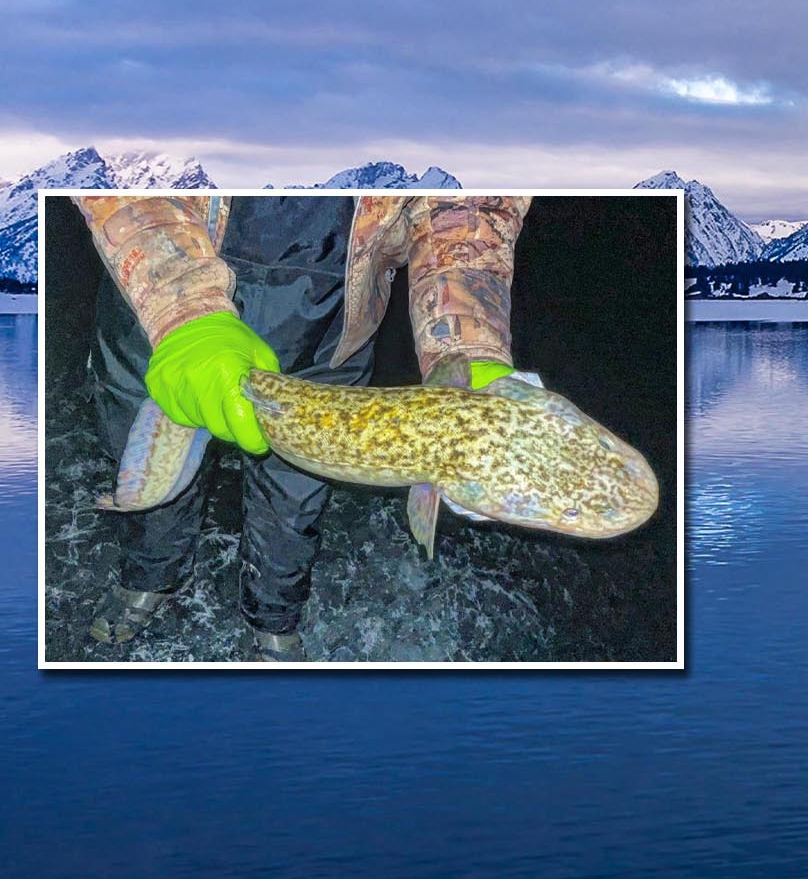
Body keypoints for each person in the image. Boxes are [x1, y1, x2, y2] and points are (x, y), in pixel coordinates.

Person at [75, 194, 533, 662]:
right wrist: (183, 311)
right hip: (163, 295)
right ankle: (150, 576)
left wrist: (472, 346)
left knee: (294, 499)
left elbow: (466, 206)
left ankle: (273, 613)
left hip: (329, 321)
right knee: (153, 483)